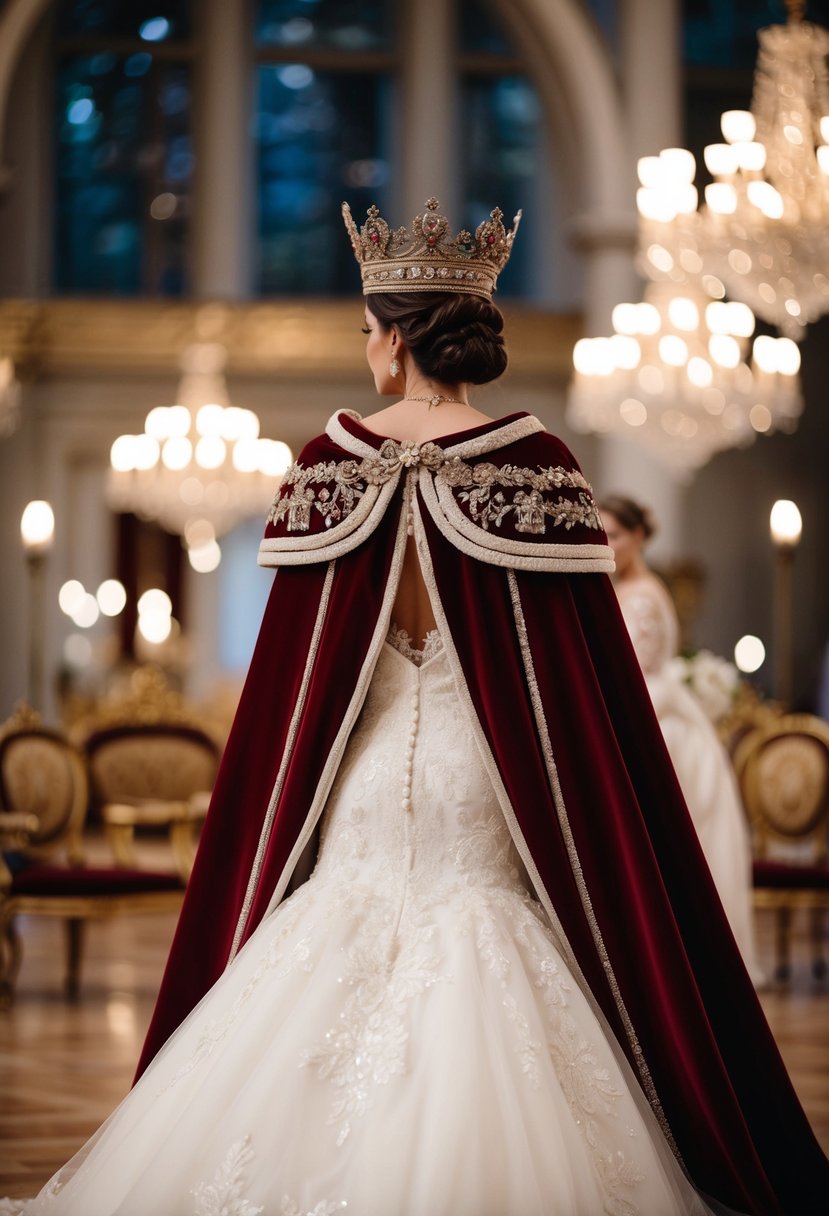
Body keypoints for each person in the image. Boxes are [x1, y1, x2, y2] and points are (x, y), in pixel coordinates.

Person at [3, 198, 827, 1216]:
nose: (365, 349)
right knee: (486, 950)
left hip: (364, 778)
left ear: (392, 339)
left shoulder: (329, 466)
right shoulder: (536, 468)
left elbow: (293, 680)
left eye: (365, 330)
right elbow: (583, 682)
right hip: (484, 777)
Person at [600, 495, 763, 987]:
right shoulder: (625, 588)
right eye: (600, 534)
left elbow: (638, 674)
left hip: (660, 727)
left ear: (640, 538)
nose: (606, 546)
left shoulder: (643, 596)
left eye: (615, 536)